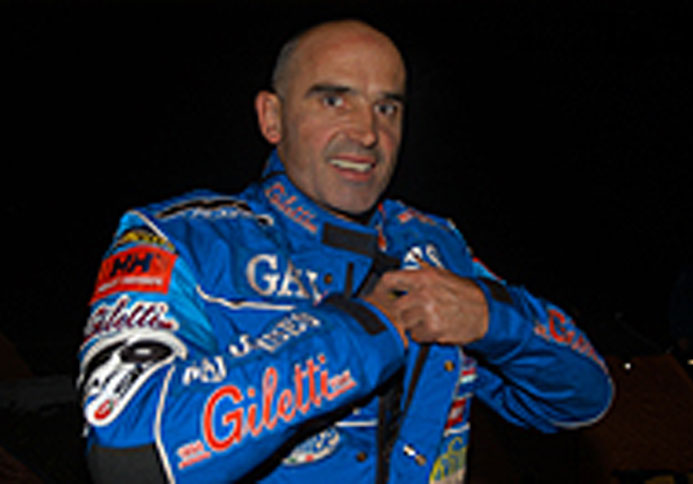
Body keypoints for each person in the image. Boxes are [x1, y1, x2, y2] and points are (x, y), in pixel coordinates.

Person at [78, 19, 613, 484]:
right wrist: (362, 331)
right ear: (271, 117)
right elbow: (126, 455)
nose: (367, 133)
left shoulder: (433, 244)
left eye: (387, 107)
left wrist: (495, 319)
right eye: (333, 100)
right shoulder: (180, 240)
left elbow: (584, 400)